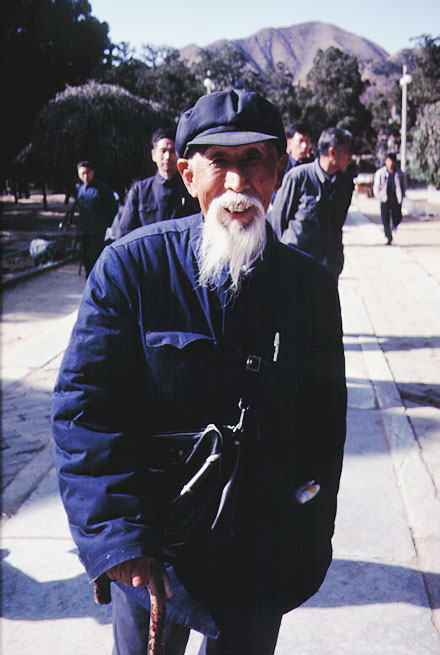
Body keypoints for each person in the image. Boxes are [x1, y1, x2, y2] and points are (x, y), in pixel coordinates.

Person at [53, 90, 347, 655]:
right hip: (154, 553)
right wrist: (121, 541)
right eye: (220, 162)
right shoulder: (132, 268)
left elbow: (322, 422)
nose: (238, 184)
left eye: (255, 161)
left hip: (258, 553)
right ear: (188, 174)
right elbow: (85, 412)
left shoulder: (308, 289)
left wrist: (304, 528)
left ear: (279, 173)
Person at [271, 126, 354, 279]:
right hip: (297, 266)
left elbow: (338, 223)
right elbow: (278, 222)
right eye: (347, 151)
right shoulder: (298, 177)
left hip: (328, 268)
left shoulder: (346, 183)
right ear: (332, 152)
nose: (350, 156)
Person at [116, 127, 199, 238]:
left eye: (172, 151)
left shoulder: (191, 188)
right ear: (153, 155)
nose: (167, 157)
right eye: (163, 151)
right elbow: (124, 233)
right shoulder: (140, 190)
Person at [75, 161, 117, 277]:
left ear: (92, 172)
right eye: (82, 174)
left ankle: (96, 278)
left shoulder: (102, 188)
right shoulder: (80, 189)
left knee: (94, 255)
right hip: (83, 229)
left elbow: (112, 207)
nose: (85, 176)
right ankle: (88, 278)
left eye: (87, 173)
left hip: (97, 229)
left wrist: (105, 224)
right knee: (84, 255)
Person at [373, 152, 405, 245]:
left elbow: (403, 186)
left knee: (397, 216)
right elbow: (376, 186)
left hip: (395, 198)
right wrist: (378, 196)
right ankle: (388, 237)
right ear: (385, 161)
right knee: (385, 219)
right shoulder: (380, 173)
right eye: (389, 161)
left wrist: (402, 195)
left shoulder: (399, 173)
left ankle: (394, 226)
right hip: (384, 198)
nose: (391, 163)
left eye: (392, 161)